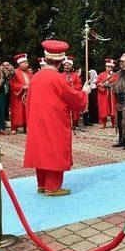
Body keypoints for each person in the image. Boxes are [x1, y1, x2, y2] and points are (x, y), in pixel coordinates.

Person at [23, 40, 91, 196]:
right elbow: (74, 97)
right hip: (54, 121)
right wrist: (85, 92)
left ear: (46, 58)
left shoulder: (36, 77)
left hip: (37, 120)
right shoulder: (58, 78)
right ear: (61, 61)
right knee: (55, 150)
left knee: (41, 150)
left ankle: (42, 184)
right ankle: (53, 187)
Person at [9, 53, 33, 134]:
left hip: (28, 95)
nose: (27, 64)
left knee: (27, 111)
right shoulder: (15, 72)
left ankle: (27, 127)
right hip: (18, 96)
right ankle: (14, 127)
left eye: (27, 62)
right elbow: (12, 83)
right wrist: (23, 87)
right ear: (20, 63)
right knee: (17, 112)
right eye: (25, 63)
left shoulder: (30, 73)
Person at [61, 56, 83, 128]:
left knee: (74, 111)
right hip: (64, 97)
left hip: (73, 96)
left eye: (68, 65)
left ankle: (74, 123)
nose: (66, 67)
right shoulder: (60, 76)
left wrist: (72, 88)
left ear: (71, 66)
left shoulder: (76, 76)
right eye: (65, 65)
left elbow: (79, 85)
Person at [96, 59, 117, 128]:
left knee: (113, 108)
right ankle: (103, 123)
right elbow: (97, 83)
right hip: (104, 93)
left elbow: (118, 84)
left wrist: (112, 85)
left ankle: (114, 122)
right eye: (108, 67)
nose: (109, 69)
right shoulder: (101, 75)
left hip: (112, 94)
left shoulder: (115, 75)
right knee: (103, 108)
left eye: (110, 67)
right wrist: (103, 85)